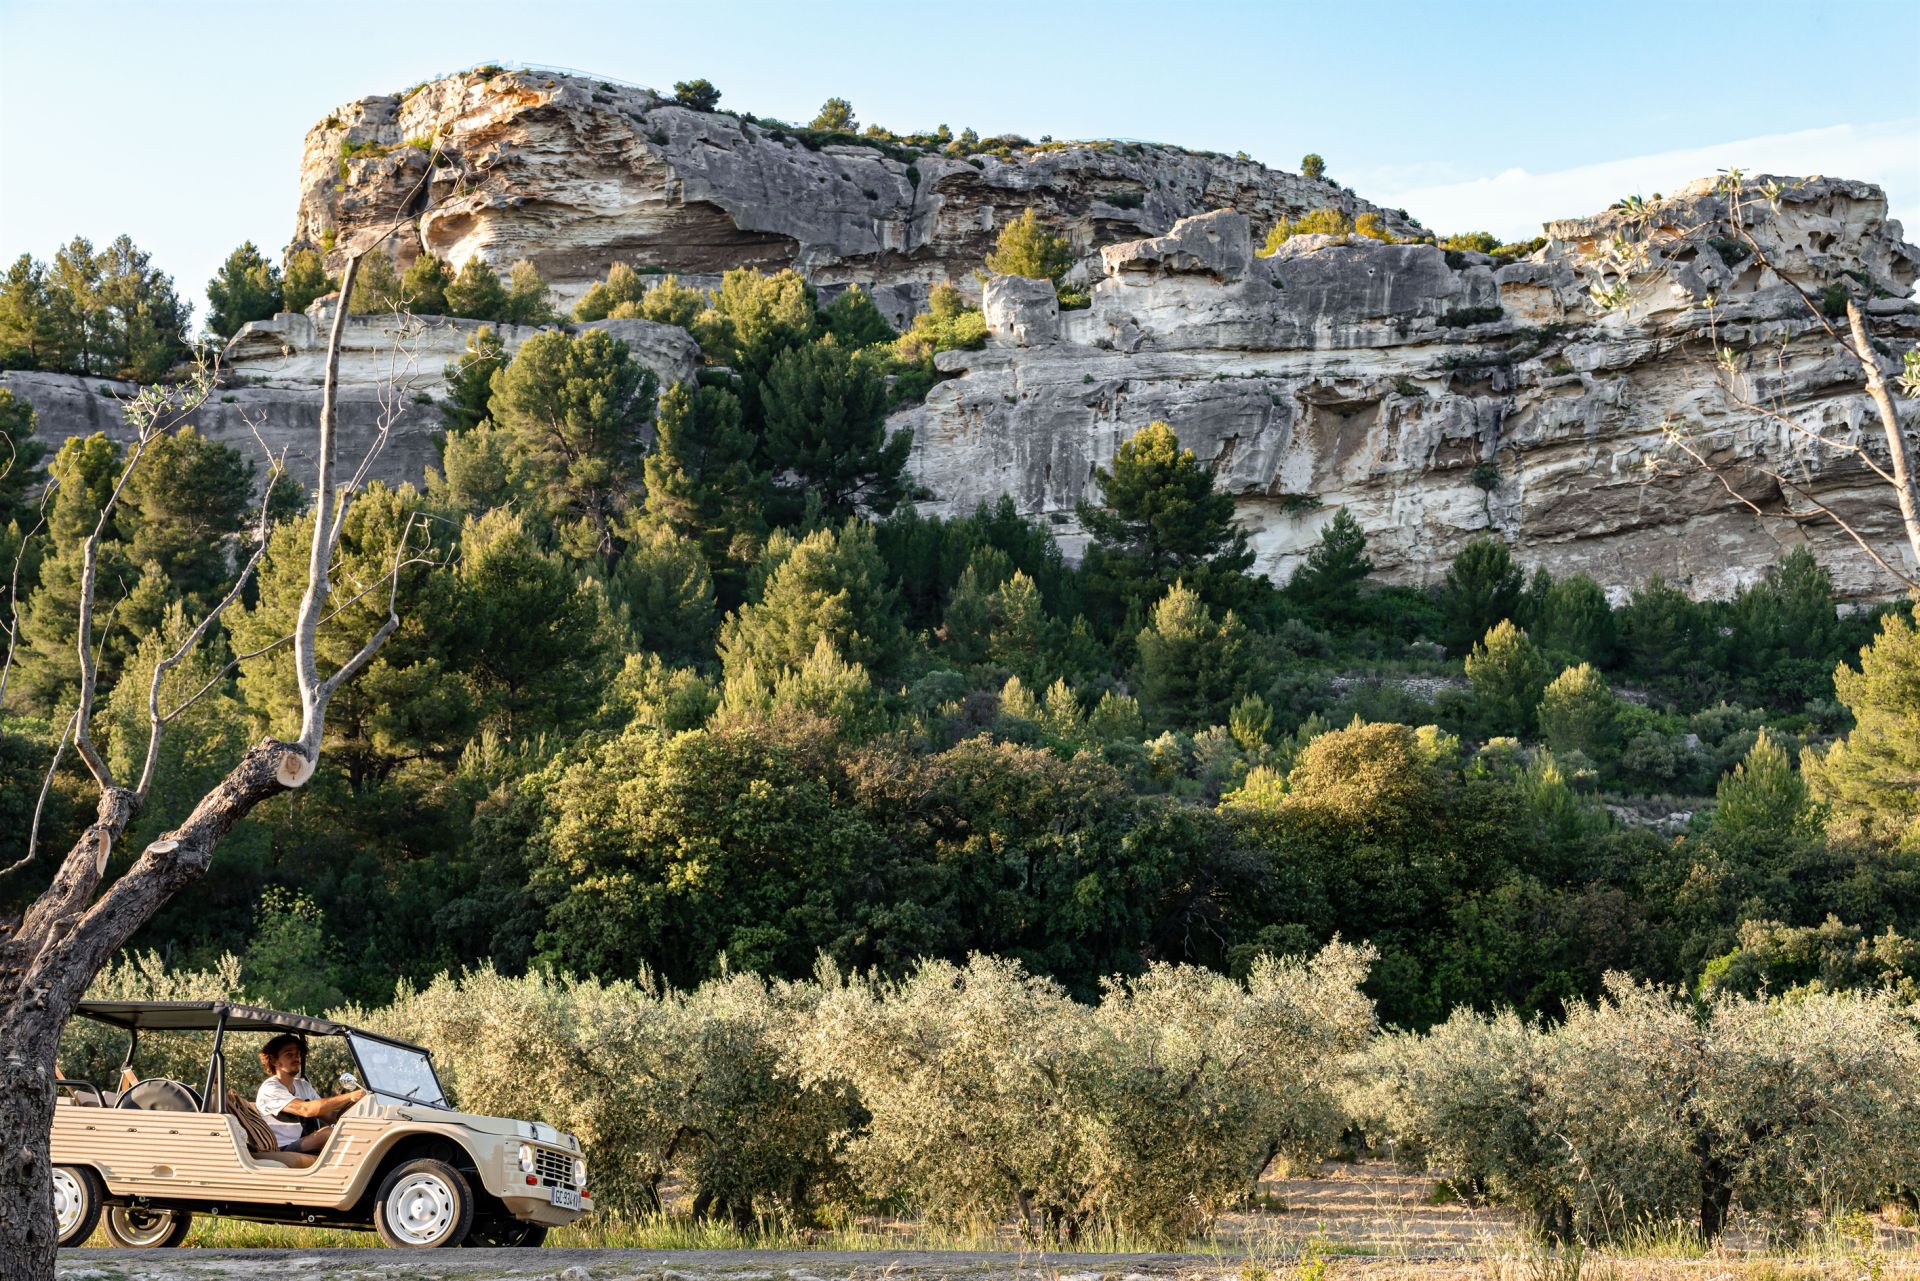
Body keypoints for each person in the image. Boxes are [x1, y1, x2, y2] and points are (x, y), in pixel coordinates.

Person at [255, 1033, 366, 1154]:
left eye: (298, 1054)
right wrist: (350, 1096)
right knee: (327, 1133)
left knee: (349, 1131)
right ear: (273, 1060)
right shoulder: (270, 1089)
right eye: (289, 1054)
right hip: (282, 1148)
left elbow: (330, 1117)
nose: (296, 1058)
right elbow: (306, 1109)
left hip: (304, 1141)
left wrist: (357, 1105)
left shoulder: (303, 1085)